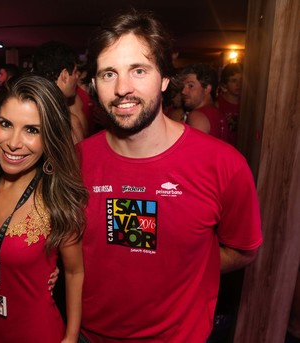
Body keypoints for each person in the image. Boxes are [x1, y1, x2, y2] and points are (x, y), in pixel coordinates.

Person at [78, 8, 262, 342]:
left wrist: (185, 268)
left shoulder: (224, 165)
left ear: (164, 78)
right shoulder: (75, 161)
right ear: (93, 83)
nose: (123, 88)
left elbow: (244, 249)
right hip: (89, 335)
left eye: (138, 70)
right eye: (108, 74)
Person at [0, 74, 88, 342]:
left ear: (50, 136)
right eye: (6, 124)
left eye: (32, 130)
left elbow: (75, 271)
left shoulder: (58, 201)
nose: (14, 143)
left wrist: (71, 336)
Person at [32, 41, 88, 143]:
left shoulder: (27, 107)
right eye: (75, 72)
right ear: (65, 75)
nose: (77, 77)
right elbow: (77, 158)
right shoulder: (69, 123)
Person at [180, 63, 230, 142]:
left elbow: (194, 152)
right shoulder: (220, 114)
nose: (183, 91)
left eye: (190, 86)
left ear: (207, 89)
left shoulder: (197, 116)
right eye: (183, 86)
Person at [217, 62, 243, 146]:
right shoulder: (217, 104)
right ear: (225, 84)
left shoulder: (249, 106)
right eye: (233, 80)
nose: (238, 84)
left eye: (241, 80)